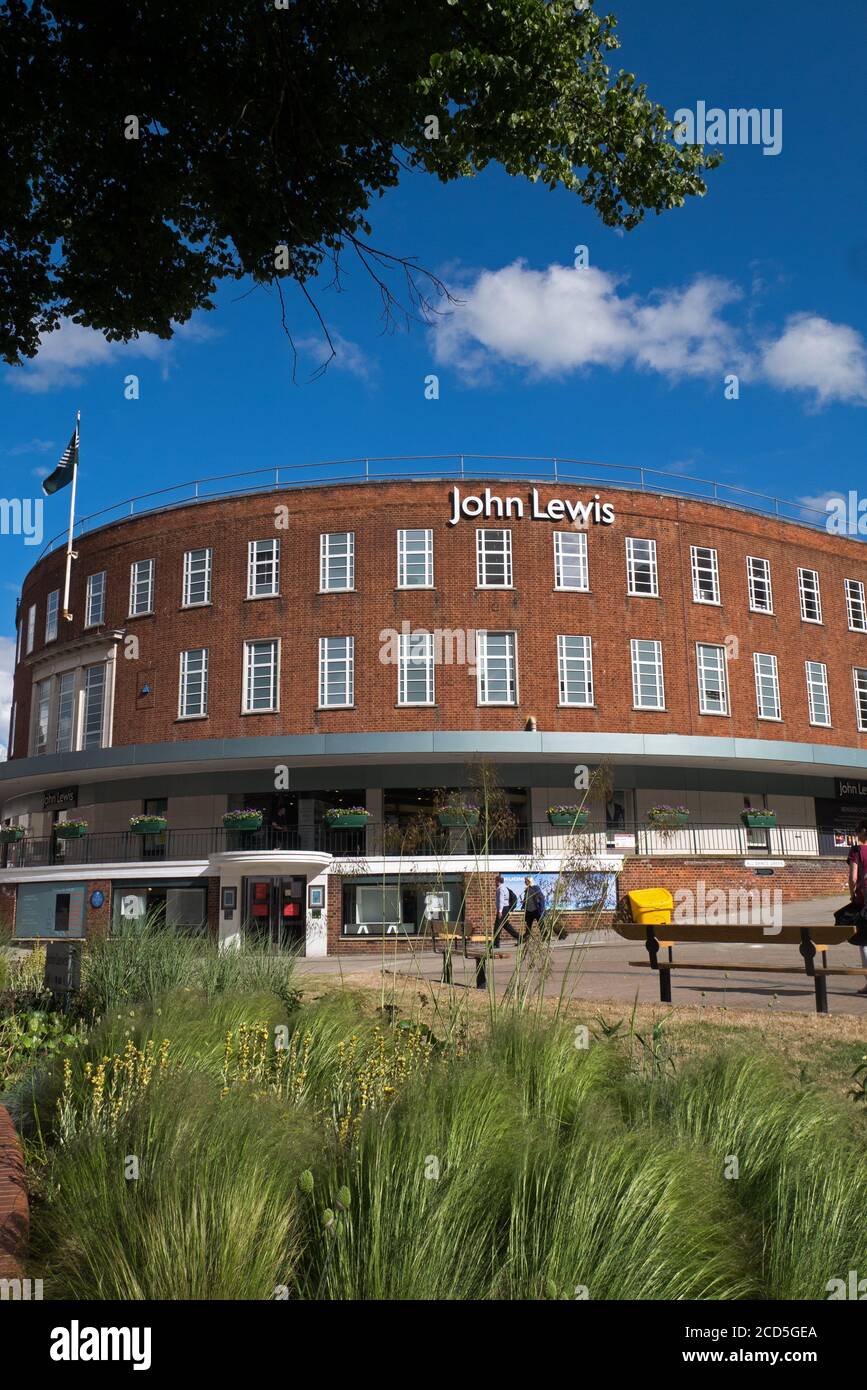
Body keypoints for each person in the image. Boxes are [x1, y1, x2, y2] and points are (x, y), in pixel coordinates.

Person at [839, 822, 867, 994]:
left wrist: (853, 895)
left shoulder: (856, 850)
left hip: (864, 901)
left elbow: (853, 878)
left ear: (861, 832)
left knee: (865, 944)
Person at [492, 874, 521, 945]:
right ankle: (519, 938)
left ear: (498, 881)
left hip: (503, 909)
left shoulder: (501, 889)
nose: (494, 882)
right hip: (506, 908)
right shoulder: (504, 888)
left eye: (495, 881)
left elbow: (501, 900)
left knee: (497, 926)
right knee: (506, 925)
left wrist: (500, 911)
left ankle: (496, 943)